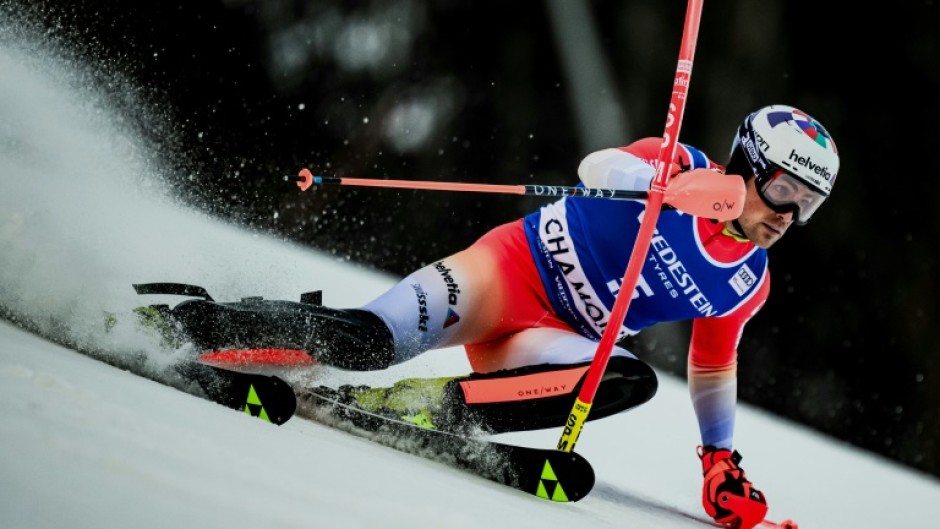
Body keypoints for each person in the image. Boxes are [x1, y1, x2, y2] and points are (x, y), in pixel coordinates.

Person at [161, 104, 839, 529]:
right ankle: (194, 322)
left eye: (806, 205)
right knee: (366, 338)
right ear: (748, 163)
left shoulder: (747, 280)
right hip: (507, 274)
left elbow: (714, 360)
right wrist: (674, 190)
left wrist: (718, 461)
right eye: (782, 189)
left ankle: (417, 405)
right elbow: (595, 165)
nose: (786, 215)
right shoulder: (681, 162)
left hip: (553, 340)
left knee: (627, 379)